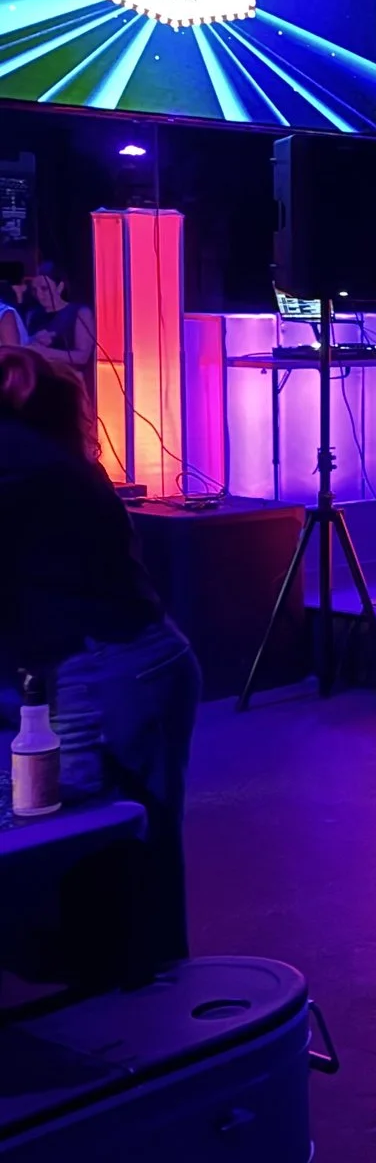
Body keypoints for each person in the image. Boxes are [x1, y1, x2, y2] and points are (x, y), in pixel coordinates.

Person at [0, 345, 201, 971]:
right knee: (134, 842)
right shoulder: (41, 452)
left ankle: (127, 1022)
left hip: (106, 670)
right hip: (138, 662)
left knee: (86, 838)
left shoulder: (16, 459)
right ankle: (152, 1003)